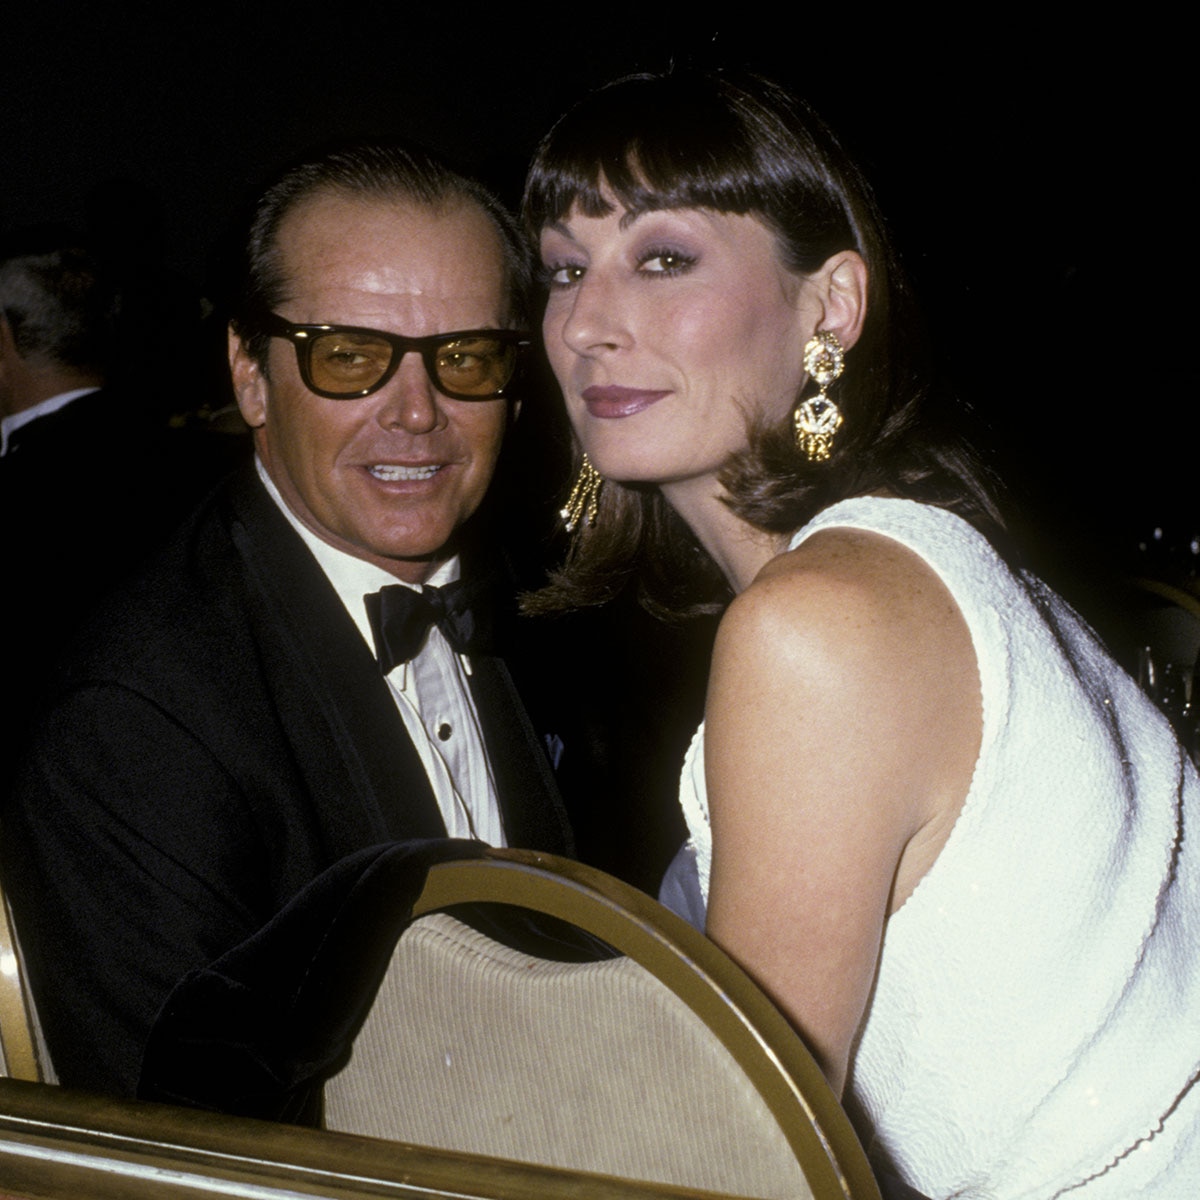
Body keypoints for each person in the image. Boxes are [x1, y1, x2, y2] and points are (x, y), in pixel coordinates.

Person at [522, 70, 1200, 1199]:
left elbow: (742, 1160)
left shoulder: (820, 623)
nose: (586, 324)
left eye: (663, 258)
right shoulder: (897, 558)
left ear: (831, 305)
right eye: (561, 269)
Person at [2, 142, 573, 1098]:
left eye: (466, 357)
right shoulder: (137, 719)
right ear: (251, 374)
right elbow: (183, 1150)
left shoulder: (544, 612)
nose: (419, 413)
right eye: (349, 357)